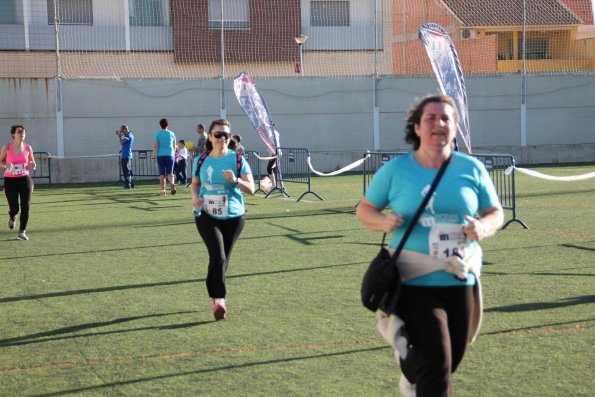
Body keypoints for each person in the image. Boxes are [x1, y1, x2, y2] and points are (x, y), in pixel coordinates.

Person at [356, 94, 504, 397]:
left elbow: (495, 212)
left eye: (446, 118)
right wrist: (383, 222)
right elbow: (364, 208)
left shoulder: (471, 168)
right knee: (437, 359)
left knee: (451, 360)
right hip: (412, 278)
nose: (439, 123)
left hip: (460, 274)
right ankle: (418, 368)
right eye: (431, 118)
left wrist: (483, 227)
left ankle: (410, 367)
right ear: (418, 128)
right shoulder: (396, 170)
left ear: (454, 127)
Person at [190, 119, 255, 321]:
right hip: (207, 215)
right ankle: (219, 300)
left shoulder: (237, 160)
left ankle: (215, 292)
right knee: (218, 255)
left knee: (223, 258)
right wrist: (195, 196)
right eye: (218, 135)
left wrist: (235, 180)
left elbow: (251, 189)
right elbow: (195, 184)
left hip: (234, 217)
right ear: (210, 137)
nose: (222, 138)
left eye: (226, 135)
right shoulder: (200, 161)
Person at [0, 125, 37, 241]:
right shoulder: (7, 147)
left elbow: (32, 162)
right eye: (19, 132)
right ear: (13, 134)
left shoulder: (27, 148)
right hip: (10, 180)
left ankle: (22, 232)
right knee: (14, 207)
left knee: (25, 206)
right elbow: (0, 162)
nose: (22, 134)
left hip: (25, 178)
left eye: (24, 132)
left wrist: (33, 165)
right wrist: (6, 165)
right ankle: (12, 216)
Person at [152, 118, 177, 196]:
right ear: (167, 124)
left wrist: (153, 156)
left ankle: (163, 190)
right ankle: (172, 183)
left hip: (160, 155)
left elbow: (155, 146)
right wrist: (174, 154)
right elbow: (174, 146)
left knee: (162, 174)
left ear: (160, 125)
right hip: (170, 155)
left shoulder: (158, 134)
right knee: (170, 173)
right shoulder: (172, 134)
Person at [117, 125, 134, 189]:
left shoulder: (128, 136)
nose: (122, 132)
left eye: (122, 130)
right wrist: (122, 135)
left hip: (126, 156)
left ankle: (128, 185)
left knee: (126, 171)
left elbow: (121, 142)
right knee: (129, 171)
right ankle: (131, 184)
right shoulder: (130, 135)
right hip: (127, 155)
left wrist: (119, 136)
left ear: (125, 130)